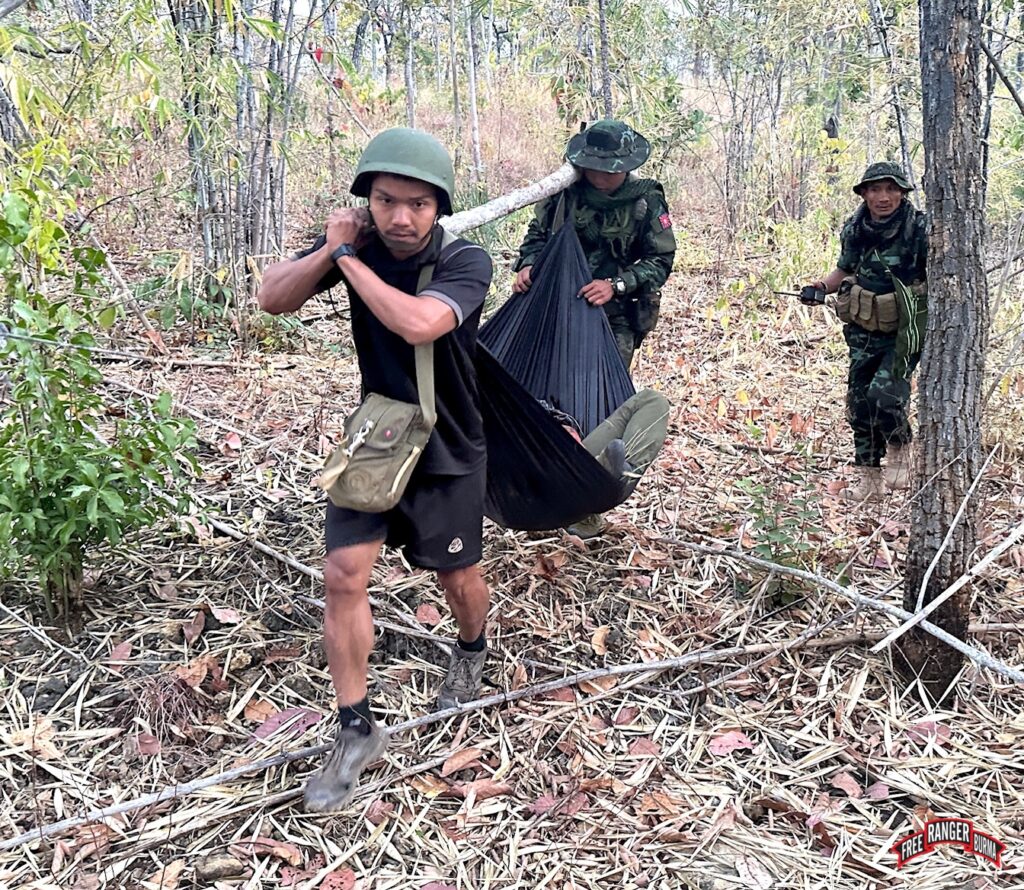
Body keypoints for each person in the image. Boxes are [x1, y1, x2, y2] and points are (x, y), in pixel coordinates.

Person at [257, 128, 494, 813]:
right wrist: (332, 251)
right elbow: (273, 298)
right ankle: (355, 726)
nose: (400, 217)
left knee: (457, 578)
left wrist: (345, 257)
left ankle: (472, 648)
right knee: (342, 574)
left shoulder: (467, 261)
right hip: (380, 433)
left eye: (417, 204)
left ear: (438, 207)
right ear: (366, 200)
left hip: (450, 445)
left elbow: (418, 323)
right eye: (386, 200)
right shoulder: (357, 244)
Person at [806, 161, 927, 503]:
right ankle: (868, 480)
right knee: (859, 406)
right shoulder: (856, 228)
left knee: (885, 397)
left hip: (904, 330)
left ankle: (900, 445)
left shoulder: (919, 229)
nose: (883, 197)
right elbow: (845, 268)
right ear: (864, 194)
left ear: (902, 193)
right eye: (875, 189)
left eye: (891, 189)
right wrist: (818, 287)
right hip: (862, 328)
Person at [513, 120, 677, 370]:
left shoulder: (645, 202)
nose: (599, 177)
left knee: (604, 393)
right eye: (593, 168)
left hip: (615, 315)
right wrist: (529, 264)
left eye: (608, 171)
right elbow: (538, 233)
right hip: (557, 307)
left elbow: (660, 260)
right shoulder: (566, 193)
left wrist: (616, 285)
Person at [543, 389, 670, 538]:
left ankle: (615, 475)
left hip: (568, 457)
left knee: (652, 400)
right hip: (538, 476)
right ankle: (604, 485)